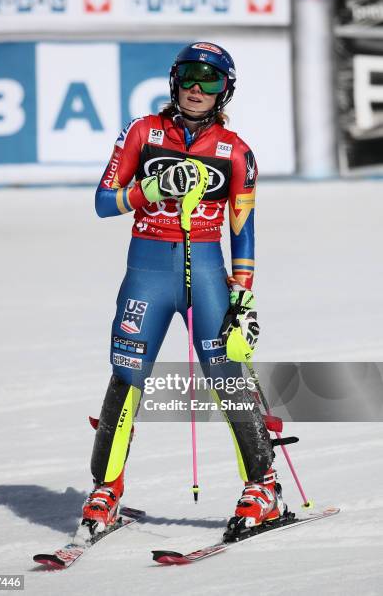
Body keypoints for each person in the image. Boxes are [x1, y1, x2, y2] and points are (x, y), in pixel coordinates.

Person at [82, 42, 285, 536]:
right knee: (126, 375)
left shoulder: (236, 151)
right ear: (174, 80)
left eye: (210, 80)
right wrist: (145, 192)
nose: (197, 88)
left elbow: (244, 225)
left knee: (227, 374)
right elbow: (103, 203)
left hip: (208, 273)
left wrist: (244, 292)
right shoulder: (142, 132)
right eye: (190, 77)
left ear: (225, 90)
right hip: (147, 273)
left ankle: (263, 486)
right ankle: (106, 490)